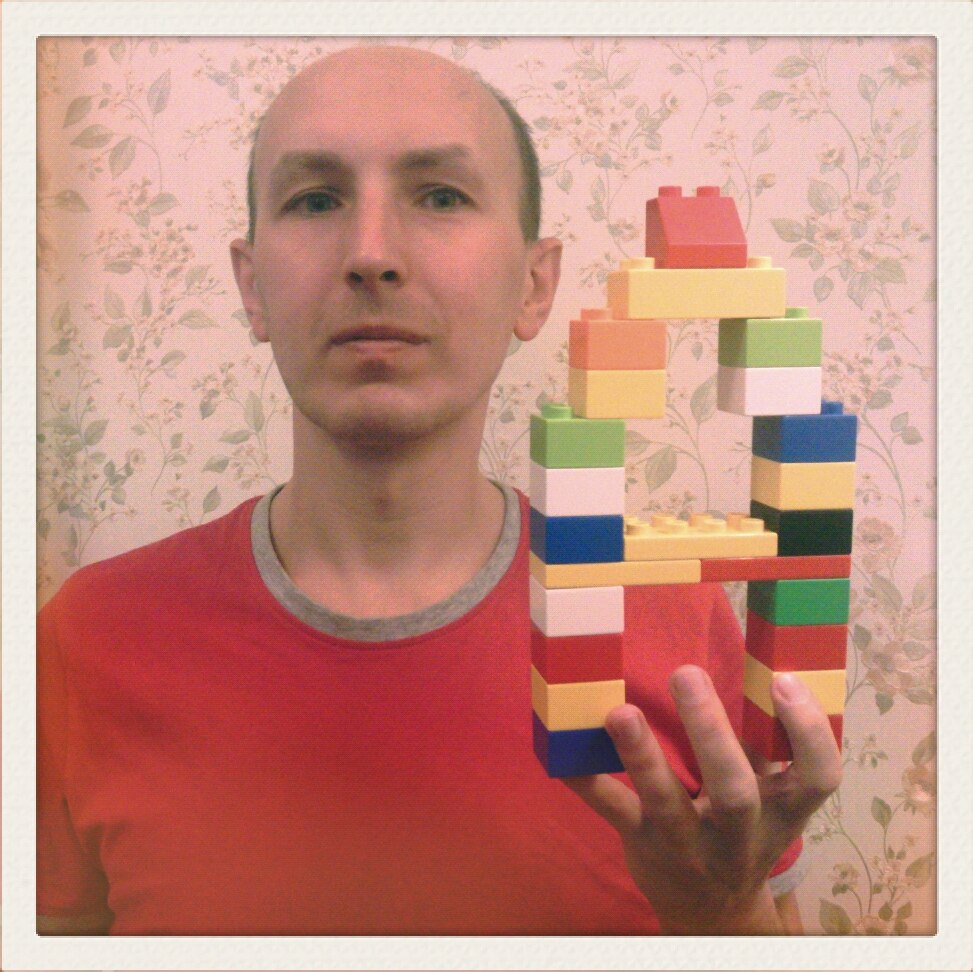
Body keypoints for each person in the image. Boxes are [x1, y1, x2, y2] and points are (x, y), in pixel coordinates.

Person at [37, 44, 841, 936]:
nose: (370, 253)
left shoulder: (678, 621)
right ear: (252, 287)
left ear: (533, 285)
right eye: (316, 199)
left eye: (441, 196)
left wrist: (721, 913)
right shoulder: (86, 640)